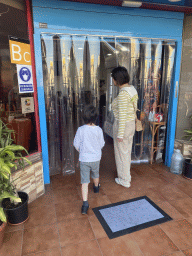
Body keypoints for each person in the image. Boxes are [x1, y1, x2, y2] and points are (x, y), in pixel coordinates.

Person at [73, 104, 105, 214]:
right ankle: (96, 187)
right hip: (96, 158)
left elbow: (76, 144)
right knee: (96, 174)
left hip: (84, 159)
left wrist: (82, 151)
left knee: (85, 182)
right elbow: (101, 144)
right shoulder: (99, 130)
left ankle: (85, 204)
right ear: (96, 117)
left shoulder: (80, 130)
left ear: (84, 117)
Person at [111, 66, 138, 188]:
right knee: (126, 152)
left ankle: (124, 180)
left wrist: (120, 134)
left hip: (123, 126)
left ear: (117, 79)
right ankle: (127, 176)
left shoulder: (123, 95)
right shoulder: (132, 89)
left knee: (121, 153)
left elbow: (122, 117)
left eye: (113, 77)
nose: (112, 80)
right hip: (131, 124)